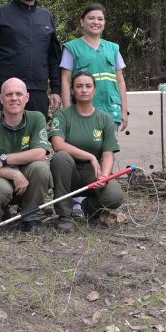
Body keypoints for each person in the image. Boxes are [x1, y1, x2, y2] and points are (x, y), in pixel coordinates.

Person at [0, 78, 53, 233]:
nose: (14, 98)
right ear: (0, 99)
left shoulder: (36, 118)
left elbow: (40, 152)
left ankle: (30, 217)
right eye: (9, 94)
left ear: (26, 97)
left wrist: (3, 159)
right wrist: (14, 173)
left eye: (19, 94)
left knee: (41, 168)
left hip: (26, 176)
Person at [49, 71, 124, 232]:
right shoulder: (63, 115)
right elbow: (57, 144)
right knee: (60, 157)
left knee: (114, 196)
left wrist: (104, 176)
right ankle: (64, 215)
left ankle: (89, 207)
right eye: (79, 86)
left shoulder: (105, 118)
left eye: (88, 86)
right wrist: (90, 156)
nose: (84, 90)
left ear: (94, 90)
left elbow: (108, 153)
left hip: (94, 172)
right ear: (72, 90)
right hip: (70, 171)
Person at [59, 3, 129, 130]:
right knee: (83, 148)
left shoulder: (113, 48)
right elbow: (65, 80)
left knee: (109, 148)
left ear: (104, 23)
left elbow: (120, 81)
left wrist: (124, 111)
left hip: (111, 110)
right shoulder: (71, 48)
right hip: (81, 111)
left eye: (100, 19)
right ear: (82, 22)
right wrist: (67, 112)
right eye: (91, 18)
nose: (96, 22)